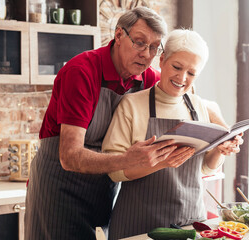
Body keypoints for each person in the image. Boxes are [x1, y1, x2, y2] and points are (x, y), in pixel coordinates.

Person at [24, 7, 196, 240]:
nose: (146, 54)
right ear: (118, 35)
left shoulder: (148, 78)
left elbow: (189, 99)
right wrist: (127, 159)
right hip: (59, 188)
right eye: (139, 42)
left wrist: (222, 134)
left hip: (104, 189)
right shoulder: (82, 71)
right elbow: (69, 156)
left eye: (155, 47)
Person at [102, 29, 243, 239]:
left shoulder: (198, 107)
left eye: (192, 73)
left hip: (190, 222)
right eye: (177, 67)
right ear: (162, 60)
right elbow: (114, 171)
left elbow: (204, 167)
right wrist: (159, 163)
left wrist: (221, 150)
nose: (182, 77)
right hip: (139, 224)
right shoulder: (131, 105)